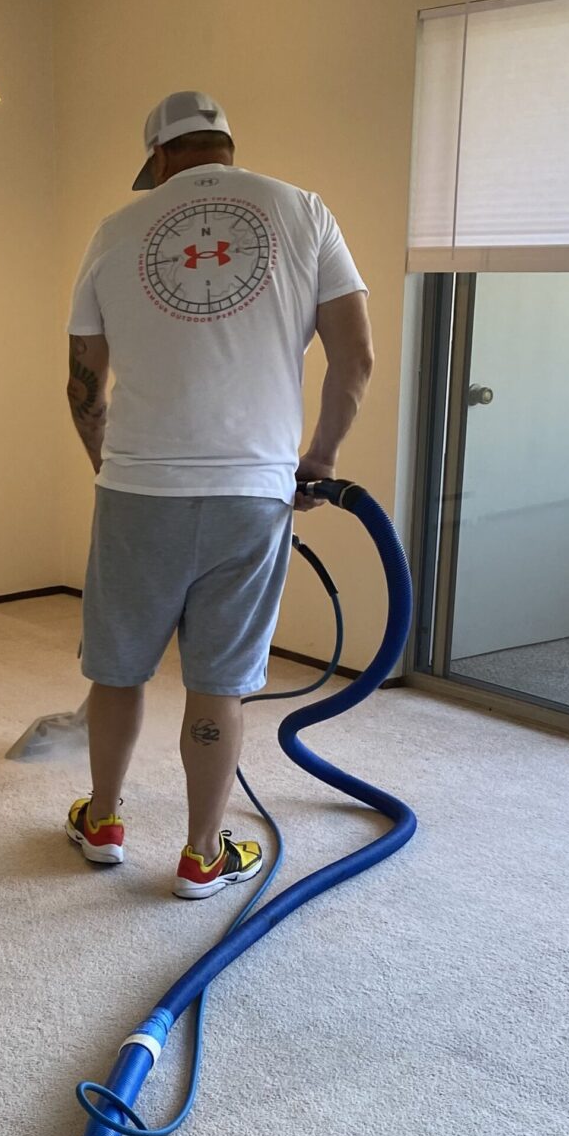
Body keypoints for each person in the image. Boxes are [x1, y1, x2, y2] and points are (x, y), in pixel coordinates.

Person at [63, 90, 374, 898]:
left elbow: (85, 377)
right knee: (220, 677)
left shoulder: (115, 230)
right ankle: (203, 854)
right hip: (251, 492)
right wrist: (320, 458)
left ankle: (102, 820)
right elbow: (356, 358)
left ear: (160, 158)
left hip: (138, 486)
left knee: (119, 669)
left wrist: (108, 461)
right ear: (226, 146)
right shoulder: (305, 213)